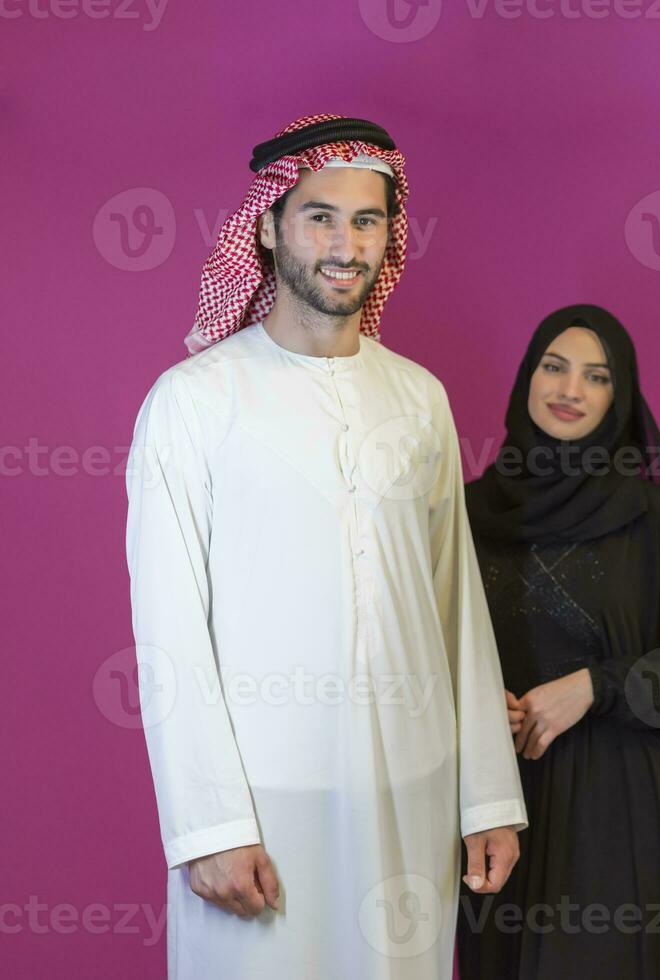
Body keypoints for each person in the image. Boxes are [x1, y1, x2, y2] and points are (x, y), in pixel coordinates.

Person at [125, 114, 526, 980]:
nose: (346, 244)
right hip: (266, 812)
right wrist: (210, 828)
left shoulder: (419, 398)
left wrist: (487, 797)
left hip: (409, 794)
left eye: (368, 220)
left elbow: (455, 611)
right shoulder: (193, 402)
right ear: (268, 227)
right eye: (320, 216)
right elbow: (169, 629)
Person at [457, 305, 660, 979]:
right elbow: (424, 654)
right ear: (527, 378)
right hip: (499, 806)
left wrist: (594, 687)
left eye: (596, 376)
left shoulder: (651, 516)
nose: (569, 389)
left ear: (619, 398)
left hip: (624, 813)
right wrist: (468, 699)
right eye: (553, 367)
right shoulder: (466, 510)